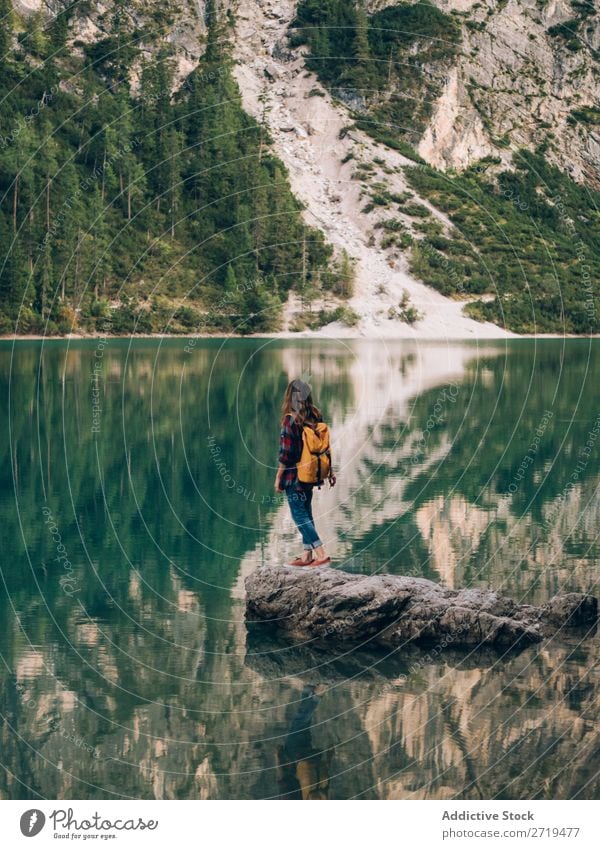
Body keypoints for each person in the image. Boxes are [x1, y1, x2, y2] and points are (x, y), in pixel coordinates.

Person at [274, 379, 336, 566]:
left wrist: (278, 477)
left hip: (294, 477)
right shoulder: (315, 415)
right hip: (311, 475)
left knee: (299, 515)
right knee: (306, 512)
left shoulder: (290, 419)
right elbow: (324, 447)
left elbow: (287, 454)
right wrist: (330, 471)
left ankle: (321, 553)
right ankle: (307, 555)